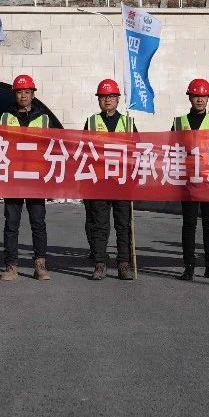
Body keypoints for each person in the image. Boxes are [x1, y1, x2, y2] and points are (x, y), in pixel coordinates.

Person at [83, 78, 137, 281]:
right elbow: (82, 150)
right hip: (99, 182)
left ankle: (124, 263)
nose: (107, 100)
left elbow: (138, 151)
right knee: (100, 225)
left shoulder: (129, 123)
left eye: (111, 97)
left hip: (122, 182)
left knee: (123, 225)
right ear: (98, 100)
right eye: (104, 97)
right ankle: (100, 264)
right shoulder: (91, 122)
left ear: (118, 99)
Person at [172, 78, 209, 280]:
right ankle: (189, 267)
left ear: (208, 98)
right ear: (190, 97)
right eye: (196, 96)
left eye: (203, 96)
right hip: (188, 182)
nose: (200, 100)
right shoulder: (178, 123)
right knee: (189, 224)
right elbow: (170, 149)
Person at [0, 74, 51, 281]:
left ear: (33, 94)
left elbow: (53, 147)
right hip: (13, 178)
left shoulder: (44, 118)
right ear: (15, 94)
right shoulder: (5, 117)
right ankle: (11, 266)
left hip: (36, 178)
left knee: (38, 222)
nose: (23, 95)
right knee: (12, 223)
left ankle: (40, 265)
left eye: (27, 92)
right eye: (19, 92)